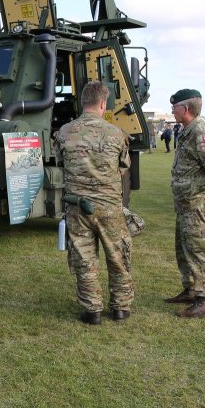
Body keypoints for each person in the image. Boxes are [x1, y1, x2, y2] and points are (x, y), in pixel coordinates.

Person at [56, 81, 134, 325]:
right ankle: (120, 308)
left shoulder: (64, 133)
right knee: (117, 256)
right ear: (103, 104)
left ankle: (93, 311)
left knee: (84, 258)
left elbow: (62, 165)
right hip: (109, 207)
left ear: (82, 103)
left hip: (77, 206)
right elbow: (123, 168)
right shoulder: (117, 134)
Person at [166, 89, 205, 318]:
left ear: (186, 109)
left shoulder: (200, 133)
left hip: (197, 205)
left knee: (199, 251)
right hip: (185, 204)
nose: (172, 110)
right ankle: (191, 290)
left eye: (174, 107)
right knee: (184, 248)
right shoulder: (186, 132)